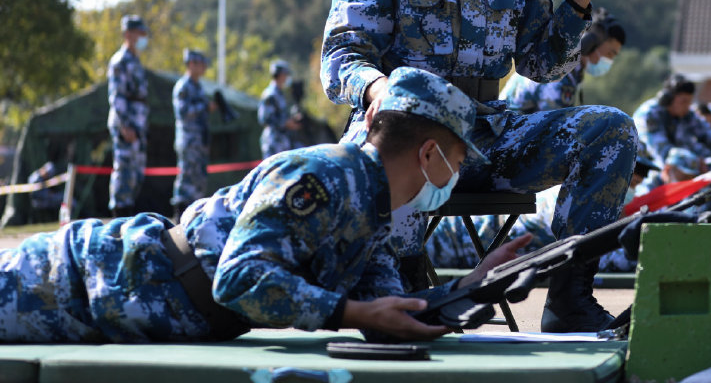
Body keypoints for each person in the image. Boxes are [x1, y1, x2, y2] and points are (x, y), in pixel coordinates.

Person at [320, 0, 638, 333]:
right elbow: (340, 59)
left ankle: (570, 299)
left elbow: (542, 63)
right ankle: (403, 289)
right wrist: (378, 91)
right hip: (409, 135)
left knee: (611, 130)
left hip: (491, 132)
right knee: (369, 167)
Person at [0, 68, 529, 344]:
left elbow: (385, 314)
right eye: (459, 160)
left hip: (143, 305)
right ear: (430, 153)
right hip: (89, 278)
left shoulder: (372, 213)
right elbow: (238, 279)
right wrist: (347, 312)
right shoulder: (323, 177)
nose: (456, 175)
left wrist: (469, 285)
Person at [501, 7, 626, 113]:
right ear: (590, 43)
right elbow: (551, 126)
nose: (610, 61)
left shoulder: (569, 71)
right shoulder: (558, 70)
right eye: (610, 54)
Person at [107, 14, 149, 217]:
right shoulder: (120, 61)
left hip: (138, 124)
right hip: (127, 125)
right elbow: (117, 96)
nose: (142, 37)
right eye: (138, 33)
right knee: (124, 173)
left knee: (136, 174)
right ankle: (119, 218)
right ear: (128, 34)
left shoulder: (136, 61)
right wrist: (124, 125)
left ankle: (127, 214)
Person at [171, 49, 217, 220]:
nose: (204, 68)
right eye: (201, 64)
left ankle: (194, 217)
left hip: (200, 141)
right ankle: (179, 217)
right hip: (189, 140)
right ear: (191, 64)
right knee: (186, 178)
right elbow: (183, 112)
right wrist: (204, 107)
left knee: (198, 180)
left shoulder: (198, 87)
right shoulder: (183, 87)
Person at [258, 59, 301, 159]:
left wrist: (293, 119)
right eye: (285, 74)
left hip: (283, 141)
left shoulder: (280, 94)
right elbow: (265, 119)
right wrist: (285, 123)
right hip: (273, 143)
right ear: (280, 75)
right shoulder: (270, 94)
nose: (286, 77)